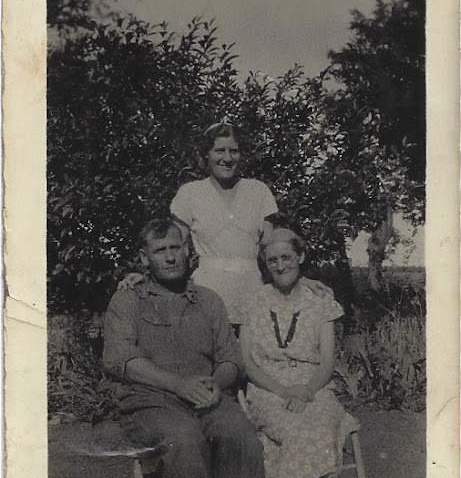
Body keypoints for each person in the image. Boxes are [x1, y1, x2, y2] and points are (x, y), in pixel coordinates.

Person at [103, 217, 265, 478]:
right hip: (151, 404)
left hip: (208, 398)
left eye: (175, 248)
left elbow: (231, 359)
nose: (170, 257)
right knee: (184, 439)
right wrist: (178, 385)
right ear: (144, 257)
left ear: (187, 250)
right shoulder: (127, 300)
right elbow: (122, 362)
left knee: (239, 432)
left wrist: (217, 382)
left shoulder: (209, 300)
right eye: (160, 250)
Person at [120, 119, 328, 326]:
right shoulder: (190, 194)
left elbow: (272, 248)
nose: (227, 158)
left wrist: (299, 279)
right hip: (206, 296)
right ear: (206, 155)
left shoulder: (258, 191)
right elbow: (173, 246)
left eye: (234, 151)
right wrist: (148, 275)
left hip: (253, 295)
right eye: (219, 150)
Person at [239, 227, 358, 478]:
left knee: (319, 423)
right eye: (273, 260)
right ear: (265, 264)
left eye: (287, 257)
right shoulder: (252, 300)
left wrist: (305, 391)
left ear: (301, 257)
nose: (280, 266)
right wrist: (283, 391)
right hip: (267, 388)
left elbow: (328, 361)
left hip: (315, 385)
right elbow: (247, 362)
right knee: (291, 428)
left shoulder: (320, 300)